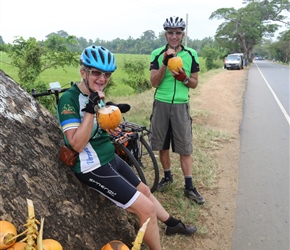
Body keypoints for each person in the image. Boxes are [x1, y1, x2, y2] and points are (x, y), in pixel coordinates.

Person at [57, 45, 197, 250]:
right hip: (92, 166)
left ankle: (171, 224)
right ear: (83, 72)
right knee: (146, 208)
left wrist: (108, 125)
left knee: (145, 191)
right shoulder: (69, 99)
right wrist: (90, 109)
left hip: (109, 157)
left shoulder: (98, 94)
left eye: (107, 74)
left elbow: (97, 128)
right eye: (96, 73)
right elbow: (76, 144)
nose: (102, 79)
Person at [149, 16, 206, 205]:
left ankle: (189, 186)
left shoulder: (191, 55)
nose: (174, 36)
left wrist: (183, 78)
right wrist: (165, 62)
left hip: (181, 104)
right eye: (171, 33)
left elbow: (195, 83)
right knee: (162, 145)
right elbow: (154, 82)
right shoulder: (157, 54)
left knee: (184, 146)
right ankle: (167, 176)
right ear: (165, 34)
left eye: (178, 33)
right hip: (161, 103)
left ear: (183, 35)